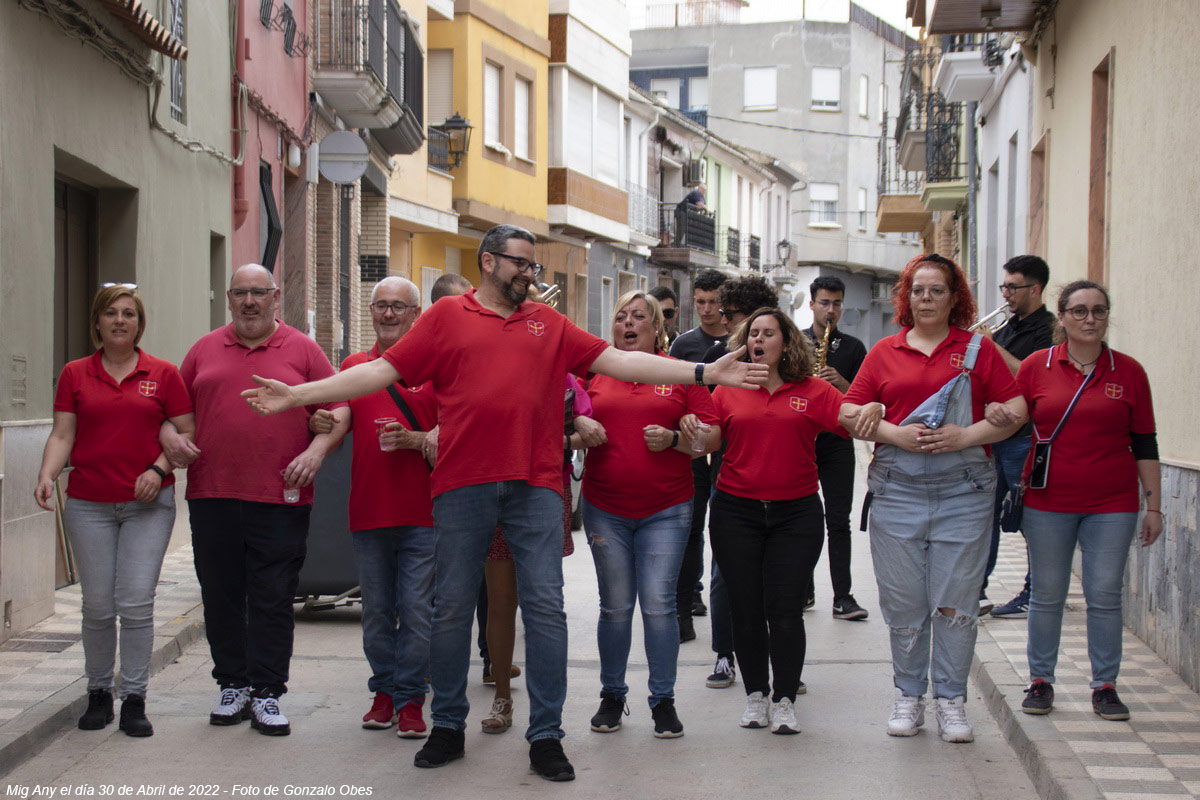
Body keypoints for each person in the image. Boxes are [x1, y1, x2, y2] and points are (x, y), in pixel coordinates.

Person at [240, 225, 766, 781]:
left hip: (535, 487)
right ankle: (448, 726)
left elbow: (620, 361)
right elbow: (379, 371)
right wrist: (298, 395)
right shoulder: (446, 317)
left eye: (533, 265)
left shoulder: (548, 323)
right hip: (461, 486)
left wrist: (705, 371)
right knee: (450, 610)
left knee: (545, 611)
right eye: (522, 263)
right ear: (489, 262)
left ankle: (546, 735)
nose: (530, 273)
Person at [839, 253, 1027, 744]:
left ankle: (951, 701)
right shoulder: (884, 351)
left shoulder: (977, 350)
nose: (926, 298)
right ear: (907, 297)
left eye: (936, 290)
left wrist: (969, 435)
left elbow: (1016, 407)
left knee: (956, 602)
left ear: (953, 297)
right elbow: (848, 412)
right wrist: (892, 433)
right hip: (897, 491)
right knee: (904, 602)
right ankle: (908, 696)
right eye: (918, 290)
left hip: (965, 493)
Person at [166, 264, 349, 736]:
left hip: (281, 497)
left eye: (259, 293)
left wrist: (315, 452)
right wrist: (170, 438)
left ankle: (267, 692)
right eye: (241, 293)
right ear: (229, 298)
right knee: (221, 596)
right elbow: (172, 412)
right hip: (212, 494)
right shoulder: (203, 350)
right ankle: (233, 686)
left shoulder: (303, 349)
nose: (250, 301)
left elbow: (340, 408)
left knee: (273, 598)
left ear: (275, 297)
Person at [986, 281, 1161, 721]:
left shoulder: (1130, 372)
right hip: (1048, 500)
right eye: (1079, 311)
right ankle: (1040, 681)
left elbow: (1145, 441)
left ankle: (1105, 686)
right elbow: (1010, 417)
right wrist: (992, 411)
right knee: (1047, 593)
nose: (1090, 319)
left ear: (1107, 317)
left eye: (1099, 311)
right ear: (1061, 317)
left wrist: (1154, 506)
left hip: (1113, 502)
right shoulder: (1036, 366)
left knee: (1104, 594)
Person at [34, 284, 195, 738]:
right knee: (99, 605)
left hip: (148, 505)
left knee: (136, 603)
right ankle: (99, 693)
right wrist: (47, 474)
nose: (120, 321)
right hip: (89, 504)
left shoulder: (163, 373)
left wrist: (158, 468)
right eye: (111, 313)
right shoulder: (75, 373)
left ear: (139, 324)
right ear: (98, 322)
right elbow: (63, 433)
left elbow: (187, 430)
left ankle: (135, 699)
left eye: (129, 314)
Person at [583, 291, 720, 739]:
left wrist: (678, 440)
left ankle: (663, 700)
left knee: (660, 607)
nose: (627, 322)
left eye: (638, 316)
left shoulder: (680, 372)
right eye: (620, 316)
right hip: (605, 509)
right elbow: (563, 417)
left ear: (656, 327)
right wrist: (578, 425)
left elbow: (711, 438)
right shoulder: (594, 371)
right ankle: (612, 695)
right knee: (615, 607)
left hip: (667, 509)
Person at [708, 307, 846, 735]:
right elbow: (707, 440)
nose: (758, 339)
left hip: (796, 515)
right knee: (745, 609)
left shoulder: (815, 391)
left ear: (786, 342)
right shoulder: (728, 389)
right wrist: (687, 433)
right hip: (736, 511)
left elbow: (855, 422)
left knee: (785, 610)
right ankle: (756, 695)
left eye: (768, 333)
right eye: (753, 333)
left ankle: (785, 698)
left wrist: (890, 421)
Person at [340, 277, 437, 738]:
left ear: (416, 314)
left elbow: (459, 428)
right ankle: (384, 691)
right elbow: (338, 415)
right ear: (371, 311)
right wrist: (323, 422)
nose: (389, 313)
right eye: (381, 305)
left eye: (399, 306)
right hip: (370, 510)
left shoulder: (437, 367)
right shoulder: (354, 366)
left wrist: (418, 440)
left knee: (416, 611)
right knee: (376, 612)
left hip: (424, 513)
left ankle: (411, 698)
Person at [479, 374, 597, 735]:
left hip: (545, 488)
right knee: (501, 600)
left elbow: (590, 431)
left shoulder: (563, 377)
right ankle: (502, 696)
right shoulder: (488, 368)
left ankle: (546, 717)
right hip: (495, 484)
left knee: (542, 604)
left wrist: (567, 435)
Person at [695, 275, 780, 690]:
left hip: (781, 484)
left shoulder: (788, 356)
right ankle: (725, 654)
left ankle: (778, 660)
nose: (724, 321)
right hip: (729, 479)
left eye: (731, 315)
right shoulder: (718, 356)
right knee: (725, 572)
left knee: (776, 577)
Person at [979, 255, 1056, 618]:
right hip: (995, 435)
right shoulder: (1009, 326)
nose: (1006, 293)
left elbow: (1031, 375)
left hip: (1025, 438)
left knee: (1030, 520)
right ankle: (976, 590)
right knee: (984, 516)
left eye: (1012, 287)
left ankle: (1036, 591)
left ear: (1035, 289)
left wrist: (990, 346)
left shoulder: (1049, 330)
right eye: (1004, 286)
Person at [802, 276, 869, 621]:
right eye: (825, 303)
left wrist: (842, 384)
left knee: (839, 521)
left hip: (838, 442)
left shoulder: (854, 348)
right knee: (802, 519)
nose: (831, 310)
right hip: (801, 442)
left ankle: (843, 596)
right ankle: (803, 589)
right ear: (811, 304)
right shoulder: (795, 342)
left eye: (837, 303)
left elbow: (868, 399)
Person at [668, 269, 728, 646]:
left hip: (729, 447)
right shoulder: (683, 345)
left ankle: (725, 600)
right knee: (690, 526)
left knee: (723, 526)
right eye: (700, 301)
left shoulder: (738, 342)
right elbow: (671, 393)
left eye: (714, 302)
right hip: (691, 447)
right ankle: (688, 598)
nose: (707, 309)